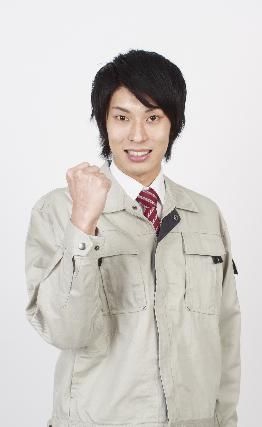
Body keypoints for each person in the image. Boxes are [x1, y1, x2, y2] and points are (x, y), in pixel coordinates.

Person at [24, 49, 241, 427]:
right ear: (104, 123)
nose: (137, 135)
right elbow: (65, 331)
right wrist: (83, 223)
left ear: (173, 123)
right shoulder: (58, 210)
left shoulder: (205, 215)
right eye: (122, 117)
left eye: (153, 117)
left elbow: (225, 336)